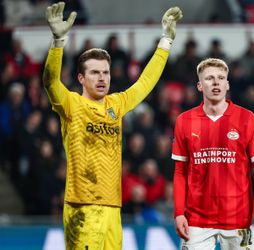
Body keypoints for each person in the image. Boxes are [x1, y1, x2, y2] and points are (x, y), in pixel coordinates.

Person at [42, 2, 182, 249]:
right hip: (82, 208)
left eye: (105, 73)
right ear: (81, 78)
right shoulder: (71, 104)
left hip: (112, 208)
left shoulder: (116, 105)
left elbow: (145, 83)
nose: (102, 78)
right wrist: (57, 42)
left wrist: (165, 43)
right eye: (95, 73)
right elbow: (51, 82)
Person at [172, 58, 254, 249]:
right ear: (199, 86)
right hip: (196, 220)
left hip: (238, 218)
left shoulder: (246, 118)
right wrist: (179, 212)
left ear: (227, 85)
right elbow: (180, 172)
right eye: (209, 78)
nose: (216, 82)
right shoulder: (184, 121)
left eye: (221, 78)